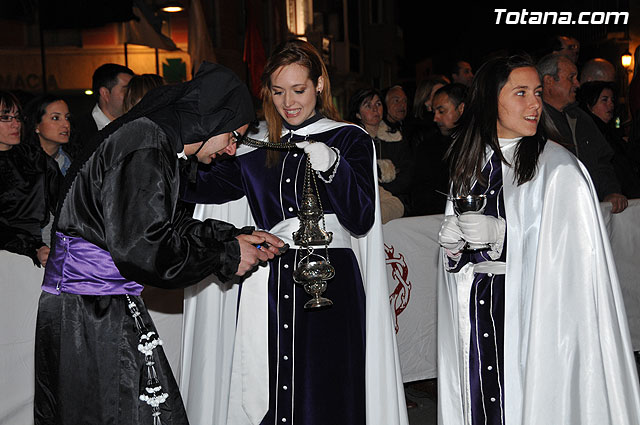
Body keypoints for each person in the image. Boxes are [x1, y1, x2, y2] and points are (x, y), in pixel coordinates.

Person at [34, 63, 285, 425]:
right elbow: (145, 248)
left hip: (93, 305)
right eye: (233, 136)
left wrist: (231, 237)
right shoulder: (146, 143)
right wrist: (226, 255)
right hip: (91, 312)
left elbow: (161, 225)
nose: (231, 150)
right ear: (212, 120)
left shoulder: (153, 139)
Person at [181, 39, 408, 425]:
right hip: (270, 279)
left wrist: (333, 166)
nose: (288, 102)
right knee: (271, 378)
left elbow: (361, 217)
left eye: (299, 90)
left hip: (332, 280)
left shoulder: (348, 137)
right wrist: (179, 147)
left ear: (319, 85)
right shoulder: (254, 146)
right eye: (278, 91)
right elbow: (201, 185)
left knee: (327, 383)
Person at [437, 55, 640, 425]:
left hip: (532, 323)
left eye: (536, 93)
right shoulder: (470, 163)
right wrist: (455, 247)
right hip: (481, 314)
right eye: (520, 93)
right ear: (489, 100)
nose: (534, 104)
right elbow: (463, 258)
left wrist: (503, 238)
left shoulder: (558, 168)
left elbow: (571, 273)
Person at [538, 53, 628, 213]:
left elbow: (602, 162)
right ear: (549, 81)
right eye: (571, 78)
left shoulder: (580, 118)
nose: (577, 84)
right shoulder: (532, 120)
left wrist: (611, 192)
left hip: (586, 211)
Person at [0, 91, 60, 267]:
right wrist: (32, 246)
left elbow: (66, 197)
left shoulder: (33, 157)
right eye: (6, 117)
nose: (16, 124)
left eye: (17, 117)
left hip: (40, 249)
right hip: (13, 253)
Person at [348, 88, 405, 223]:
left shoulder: (395, 137)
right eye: (368, 105)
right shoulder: (353, 141)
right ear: (357, 114)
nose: (375, 109)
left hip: (393, 199)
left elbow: (406, 173)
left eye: (378, 104)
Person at [578, 81, 640, 198]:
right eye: (604, 100)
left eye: (612, 100)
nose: (610, 105)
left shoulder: (612, 133)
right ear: (589, 105)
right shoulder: (590, 134)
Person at [74, 63, 134, 150]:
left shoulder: (136, 126)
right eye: (126, 90)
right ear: (105, 93)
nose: (131, 95)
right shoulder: (79, 131)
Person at [23, 95, 73, 175]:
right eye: (55, 118)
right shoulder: (21, 164)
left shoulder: (72, 162)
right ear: (36, 125)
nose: (66, 124)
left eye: (67, 118)